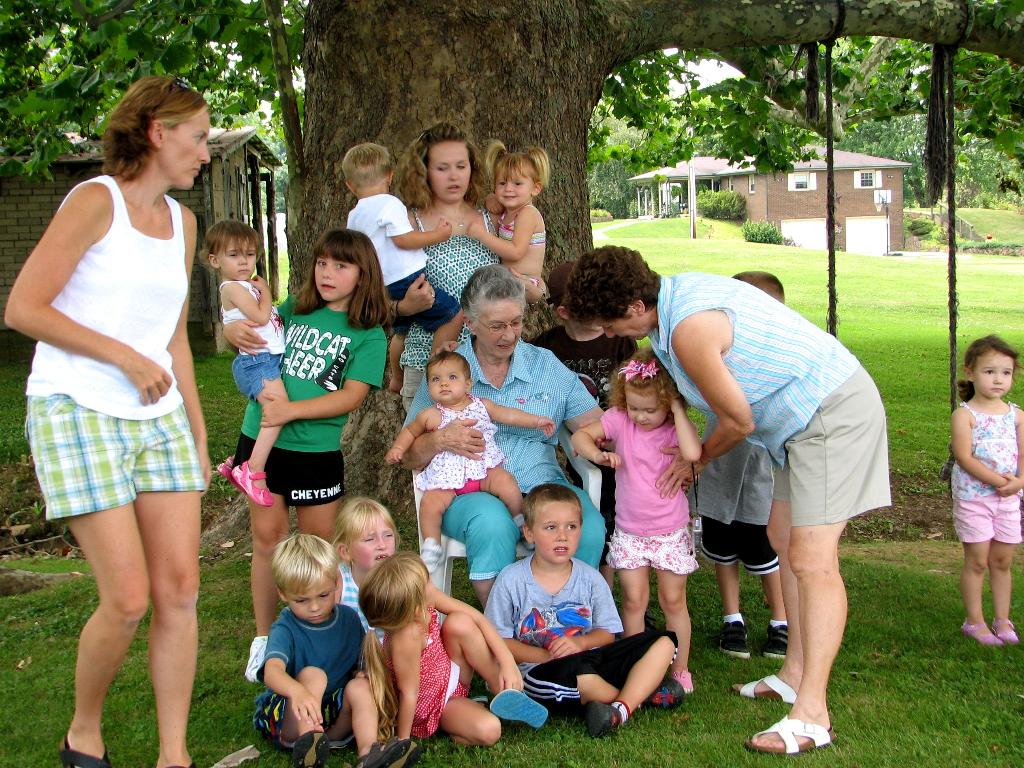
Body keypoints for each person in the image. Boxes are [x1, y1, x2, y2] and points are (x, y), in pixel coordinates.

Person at [565, 246, 890, 755]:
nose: (609, 334)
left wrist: (695, 463)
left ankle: (813, 714)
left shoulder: (688, 328)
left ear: (634, 306)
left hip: (831, 413)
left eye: (610, 323)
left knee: (813, 559)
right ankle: (793, 674)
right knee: (782, 538)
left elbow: (738, 420)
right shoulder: (672, 305)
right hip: (797, 427)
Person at [5, 75, 210, 768]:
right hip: (76, 406)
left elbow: (173, 336)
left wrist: (197, 433)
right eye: (197, 138)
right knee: (126, 598)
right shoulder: (96, 202)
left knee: (180, 590)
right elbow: (24, 308)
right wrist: (123, 356)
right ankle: (83, 729)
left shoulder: (183, 224)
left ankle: (174, 754)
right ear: (157, 132)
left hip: (159, 418)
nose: (204, 153)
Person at [222, 229, 388, 684]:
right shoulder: (296, 308)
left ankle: (327, 638)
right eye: (322, 263)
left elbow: (351, 397)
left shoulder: (369, 335)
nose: (327, 274)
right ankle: (264, 639)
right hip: (262, 443)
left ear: (363, 274)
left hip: (315, 452)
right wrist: (230, 329)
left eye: (341, 266)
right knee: (267, 541)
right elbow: (250, 328)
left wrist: (291, 411)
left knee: (320, 550)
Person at [401, 265, 607, 606]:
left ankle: (567, 619)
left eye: (516, 322)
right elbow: (409, 454)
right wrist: (439, 439)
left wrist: (647, 434)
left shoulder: (545, 366)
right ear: (470, 323)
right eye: (497, 326)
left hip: (540, 481)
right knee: (492, 525)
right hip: (469, 489)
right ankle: (504, 625)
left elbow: (598, 425)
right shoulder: (445, 373)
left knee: (586, 526)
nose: (509, 335)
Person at [484, 484, 684, 738]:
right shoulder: (511, 580)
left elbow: (607, 634)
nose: (562, 536)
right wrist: (544, 656)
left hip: (590, 658)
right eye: (551, 527)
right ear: (529, 533)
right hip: (541, 670)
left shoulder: (591, 578)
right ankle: (641, 694)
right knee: (582, 678)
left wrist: (581, 643)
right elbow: (499, 641)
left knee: (665, 641)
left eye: (571, 527)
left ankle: (619, 709)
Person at [571, 349, 702, 694]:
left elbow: (692, 454)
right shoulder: (618, 419)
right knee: (633, 601)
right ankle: (636, 665)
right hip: (630, 532)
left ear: (668, 403)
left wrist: (677, 409)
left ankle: (680, 669)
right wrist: (598, 454)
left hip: (669, 531)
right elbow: (579, 437)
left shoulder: (675, 428)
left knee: (673, 601)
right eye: (634, 407)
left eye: (650, 409)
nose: (640, 417)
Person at [253, 534, 417, 768]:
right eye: (301, 600)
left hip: (335, 715)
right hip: (292, 717)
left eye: (323, 595)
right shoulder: (285, 627)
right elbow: (272, 672)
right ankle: (308, 745)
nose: (314, 607)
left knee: (361, 686)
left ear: (337, 583)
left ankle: (369, 753)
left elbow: (362, 660)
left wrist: (363, 673)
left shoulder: (349, 618)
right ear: (282, 593)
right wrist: (297, 691)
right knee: (313, 675)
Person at [691, 270, 788, 661]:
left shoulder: (781, 356)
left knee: (765, 546)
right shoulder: (718, 353)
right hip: (720, 466)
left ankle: (781, 619)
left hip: (763, 472)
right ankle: (733, 618)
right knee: (722, 545)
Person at [387, 350, 556, 569]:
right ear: (428, 387)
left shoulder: (481, 405)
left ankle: (521, 522)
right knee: (430, 503)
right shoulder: (430, 415)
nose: (444, 384)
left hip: (483, 471)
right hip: (447, 480)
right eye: (436, 379)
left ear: (468, 384)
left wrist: (537, 421)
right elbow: (410, 432)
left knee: (506, 482)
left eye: (452, 377)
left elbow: (509, 414)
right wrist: (398, 448)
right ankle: (431, 546)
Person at [359, 551, 549, 746]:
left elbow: (478, 618)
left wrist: (507, 663)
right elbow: (409, 694)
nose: (432, 585)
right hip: (433, 707)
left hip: (449, 677)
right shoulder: (406, 637)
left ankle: (505, 689)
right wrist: (403, 742)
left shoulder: (427, 598)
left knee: (460, 622)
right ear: (415, 606)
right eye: (427, 582)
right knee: (490, 730)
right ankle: (456, 721)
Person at [530, 260, 637, 585]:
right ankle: (598, 583)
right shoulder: (546, 346)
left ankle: (617, 585)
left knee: (624, 517)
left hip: (622, 443)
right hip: (579, 447)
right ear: (563, 312)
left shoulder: (620, 341)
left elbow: (636, 388)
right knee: (596, 513)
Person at [342, 142, 464, 394]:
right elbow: (404, 239)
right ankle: (437, 369)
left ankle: (396, 378)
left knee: (401, 332)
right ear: (390, 176)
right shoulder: (390, 204)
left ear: (350, 186)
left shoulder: (354, 215)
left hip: (382, 284)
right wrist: (437, 235)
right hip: (407, 279)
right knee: (453, 313)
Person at [393, 122, 499, 406]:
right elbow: (378, 292)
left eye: (461, 166)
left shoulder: (491, 218)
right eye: (442, 168)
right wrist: (404, 308)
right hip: (428, 366)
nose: (454, 176)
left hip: (487, 363)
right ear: (424, 172)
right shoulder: (407, 223)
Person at [205, 220, 285, 507]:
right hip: (257, 361)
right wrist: (266, 292)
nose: (244, 261)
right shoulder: (232, 288)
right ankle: (252, 469)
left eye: (250, 254)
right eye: (234, 255)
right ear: (215, 260)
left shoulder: (244, 286)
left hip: (266, 360)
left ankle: (238, 461)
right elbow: (262, 317)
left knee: (273, 410)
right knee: (279, 411)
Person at [950, 335, 1023, 646]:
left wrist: (1018, 482)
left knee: (1002, 561)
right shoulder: (965, 415)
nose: (998, 379)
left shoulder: (1016, 416)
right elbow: (964, 457)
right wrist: (998, 482)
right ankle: (975, 621)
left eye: (1006, 373)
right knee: (978, 560)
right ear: (971, 372)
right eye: (989, 371)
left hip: (1008, 499)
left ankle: (1002, 620)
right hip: (974, 499)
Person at [466, 142, 549, 302]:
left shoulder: (527, 214)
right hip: (510, 278)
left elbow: (516, 251)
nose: (508, 189)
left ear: (535, 188)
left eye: (517, 183)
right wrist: (490, 198)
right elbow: (493, 199)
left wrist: (482, 235)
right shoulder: (509, 211)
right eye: (502, 183)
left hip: (526, 282)